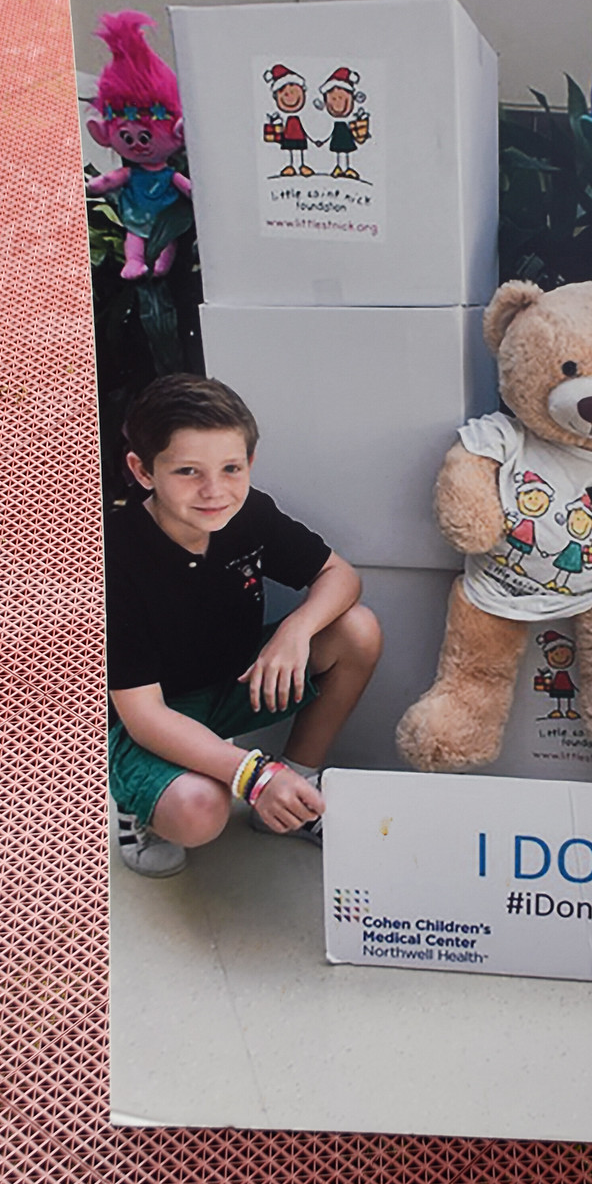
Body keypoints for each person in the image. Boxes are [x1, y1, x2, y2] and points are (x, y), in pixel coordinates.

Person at [105, 373, 381, 877]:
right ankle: (139, 808)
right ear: (143, 471)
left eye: (230, 468)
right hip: (154, 715)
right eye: (188, 471)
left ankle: (297, 784)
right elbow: (143, 714)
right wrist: (254, 776)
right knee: (199, 811)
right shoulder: (115, 557)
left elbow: (340, 575)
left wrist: (296, 630)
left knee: (356, 631)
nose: (214, 491)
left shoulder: (248, 513)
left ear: (249, 463)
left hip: (236, 681)